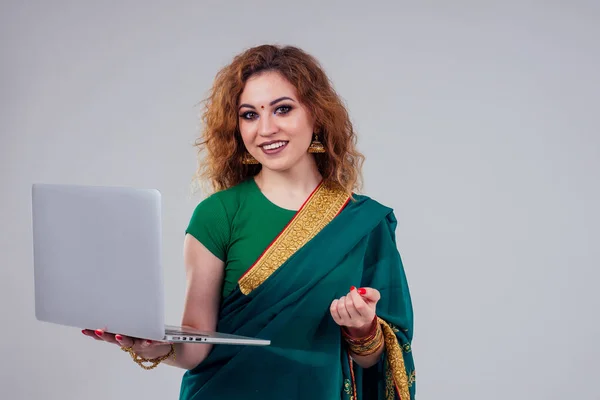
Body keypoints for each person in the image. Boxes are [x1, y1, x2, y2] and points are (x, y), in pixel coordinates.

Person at [83, 44, 416, 400]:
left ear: (316, 115)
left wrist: (362, 329)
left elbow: (381, 363)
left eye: (282, 109)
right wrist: (149, 346)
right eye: (249, 115)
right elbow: (195, 344)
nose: (266, 129)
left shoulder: (363, 221)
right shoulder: (217, 214)